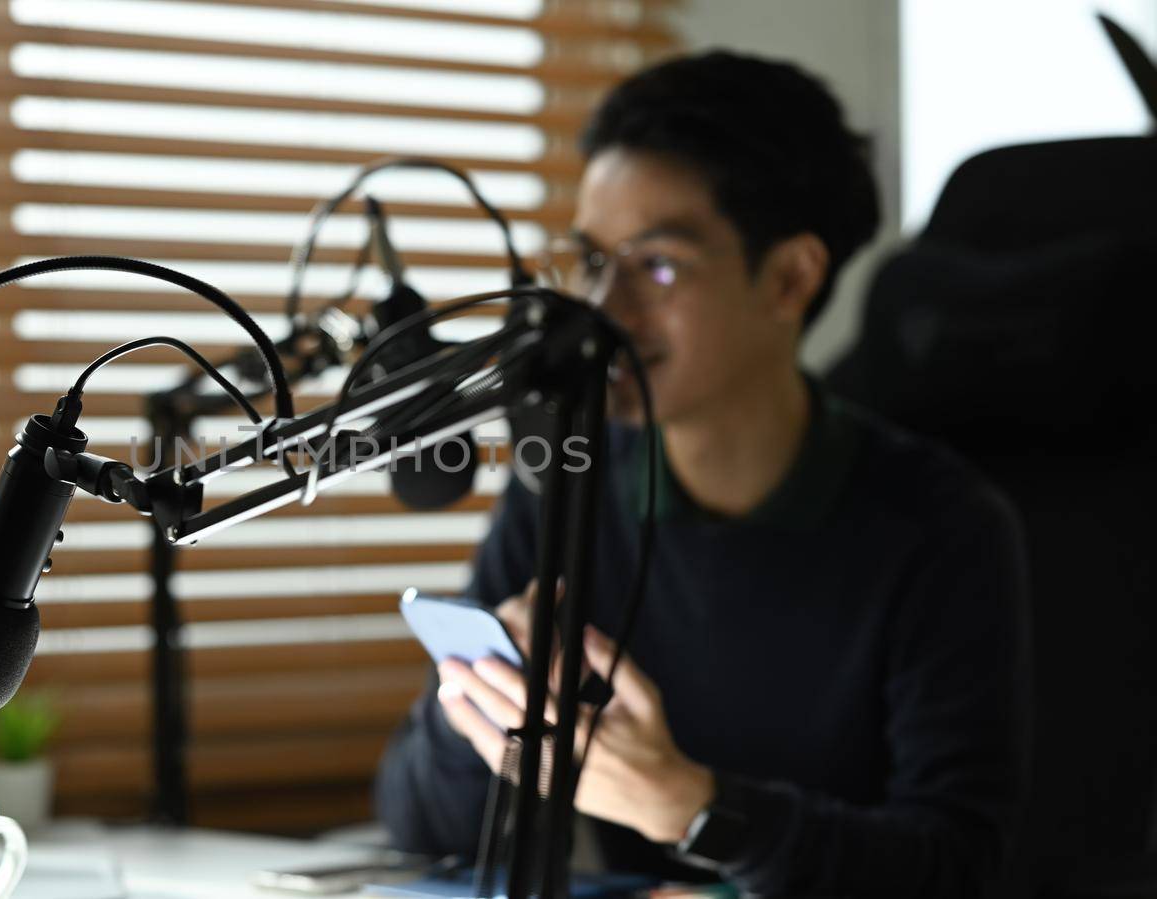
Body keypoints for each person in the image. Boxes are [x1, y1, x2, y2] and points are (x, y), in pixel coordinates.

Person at [374, 50, 1030, 897]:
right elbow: (425, 831)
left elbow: (954, 866)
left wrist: (694, 809)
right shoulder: (569, 479)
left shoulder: (942, 528)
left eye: (656, 267)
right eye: (592, 261)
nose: (604, 311)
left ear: (791, 277)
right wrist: (469, 710)